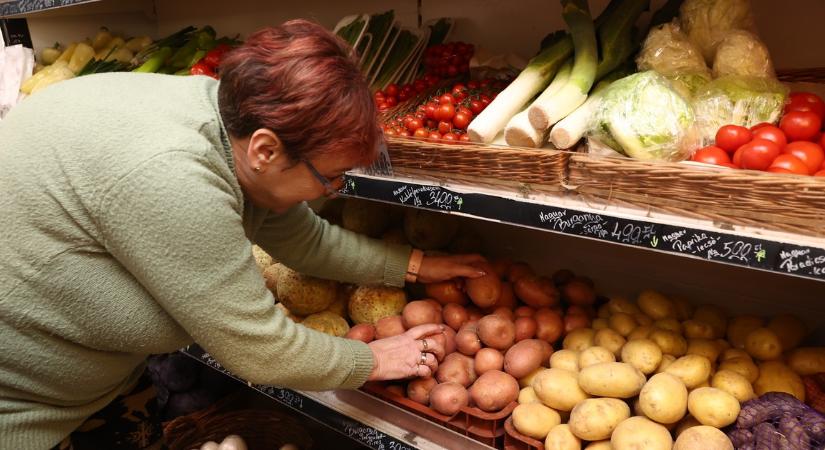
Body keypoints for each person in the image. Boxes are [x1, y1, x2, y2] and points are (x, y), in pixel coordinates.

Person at [0, 20, 486, 449]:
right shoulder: (175, 177)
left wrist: (416, 264)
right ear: (266, 150)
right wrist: (371, 361)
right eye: (330, 177)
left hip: (90, 388)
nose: (335, 190)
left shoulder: (226, 121)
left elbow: (306, 240)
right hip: (24, 413)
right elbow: (259, 348)